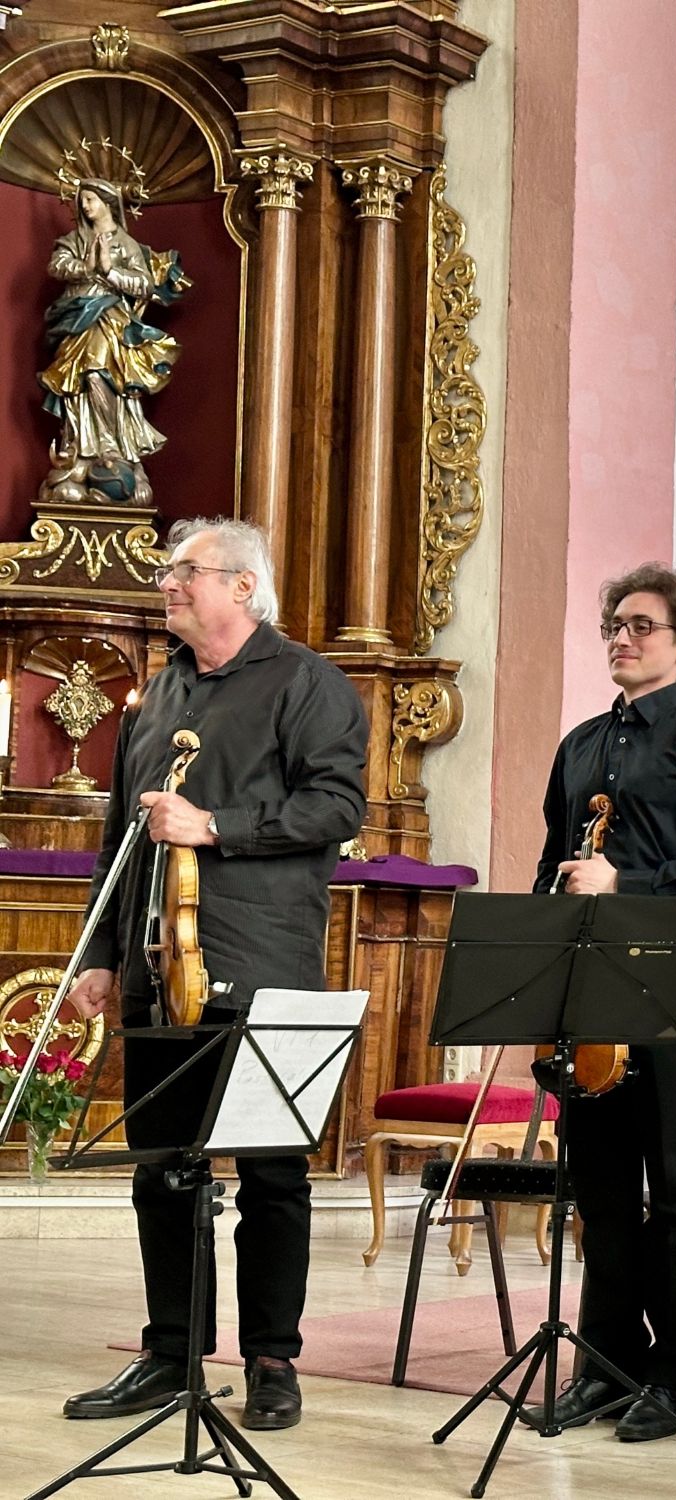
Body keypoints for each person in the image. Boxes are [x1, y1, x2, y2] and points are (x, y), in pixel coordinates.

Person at [63, 518, 369, 1432]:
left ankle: (274, 1359)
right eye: (168, 572)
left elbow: (337, 805)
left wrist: (216, 826)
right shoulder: (157, 695)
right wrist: (103, 955)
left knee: (273, 1174)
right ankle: (171, 1352)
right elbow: (120, 833)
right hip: (160, 965)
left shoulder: (307, 682)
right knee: (163, 1169)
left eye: (185, 571)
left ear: (243, 586)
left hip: (262, 958)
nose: (168, 583)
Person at [530, 564, 676, 1442]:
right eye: (613, 626)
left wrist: (628, 880)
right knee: (598, 1188)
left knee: (673, 1188)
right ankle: (605, 1361)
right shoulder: (581, 744)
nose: (620, 638)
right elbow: (553, 859)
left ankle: (673, 1374)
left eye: (639, 625)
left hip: (670, 981)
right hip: (587, 988)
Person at [39, 178, 191, 508]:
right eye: (82, 201)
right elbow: (57, 266)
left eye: (91, 199)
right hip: (76, 320)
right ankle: (82, 448)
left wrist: (110, 272)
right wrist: (87, 266)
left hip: (111, 320)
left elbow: (143, 282)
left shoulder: (126, 243)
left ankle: (112, 447)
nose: (85, 206)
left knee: (100, 375)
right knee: (77, 382)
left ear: (108, 202)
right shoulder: (74, 239)